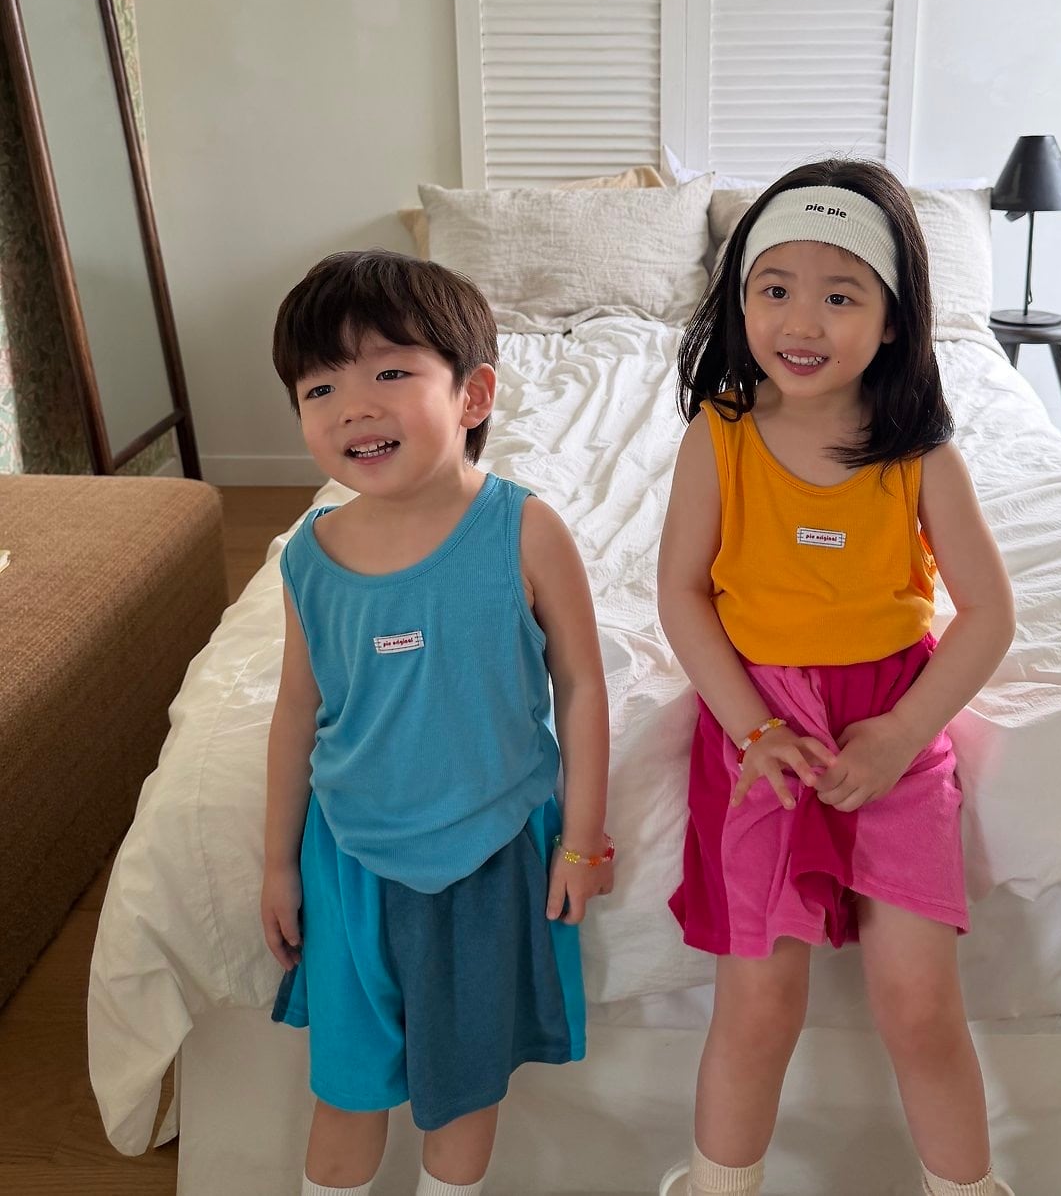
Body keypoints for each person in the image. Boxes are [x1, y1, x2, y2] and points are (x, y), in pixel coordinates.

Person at [657, 160, 1018, 1196]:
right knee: (757, 1004)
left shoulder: (920, 455)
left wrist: (904, 734)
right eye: (774, 289)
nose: (801, 321)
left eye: (841, 295)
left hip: (889, 728)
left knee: (919, 1005)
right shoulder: (719, 436)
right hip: (761, 736)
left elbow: (987, 614)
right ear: (739, 302)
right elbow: (681, 593)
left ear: (894, 320)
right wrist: (753, 730)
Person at [262, 249, 613, 1196]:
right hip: (348, 857)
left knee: (463, 1094)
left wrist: (583, 839)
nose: (353, 407)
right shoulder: (308, 557)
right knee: (345, 1091)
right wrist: (276, 862)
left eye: (389, 373)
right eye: (320, 388)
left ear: (473, 395)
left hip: (488, 854)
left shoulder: (524, 530)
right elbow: (297, 710)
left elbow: (582, 684)